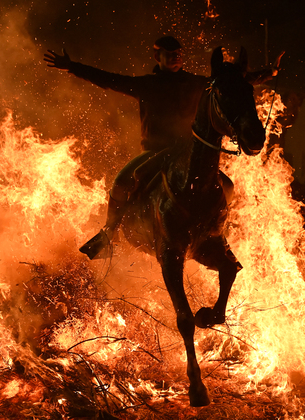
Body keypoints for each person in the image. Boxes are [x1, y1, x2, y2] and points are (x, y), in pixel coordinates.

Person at [44, 36, 282, 258]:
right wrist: (72, 67)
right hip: (155, 152)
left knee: (226, 186)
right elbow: (109, 80)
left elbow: (233, 84)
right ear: (158, 57)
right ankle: (109, 232)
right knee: (122, 182)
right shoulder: (147, 84)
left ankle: (215, 233)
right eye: (170, 54)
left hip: (188, 153)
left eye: (179, 54)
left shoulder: (196, 83)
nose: (176, 57)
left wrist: (268, 73)